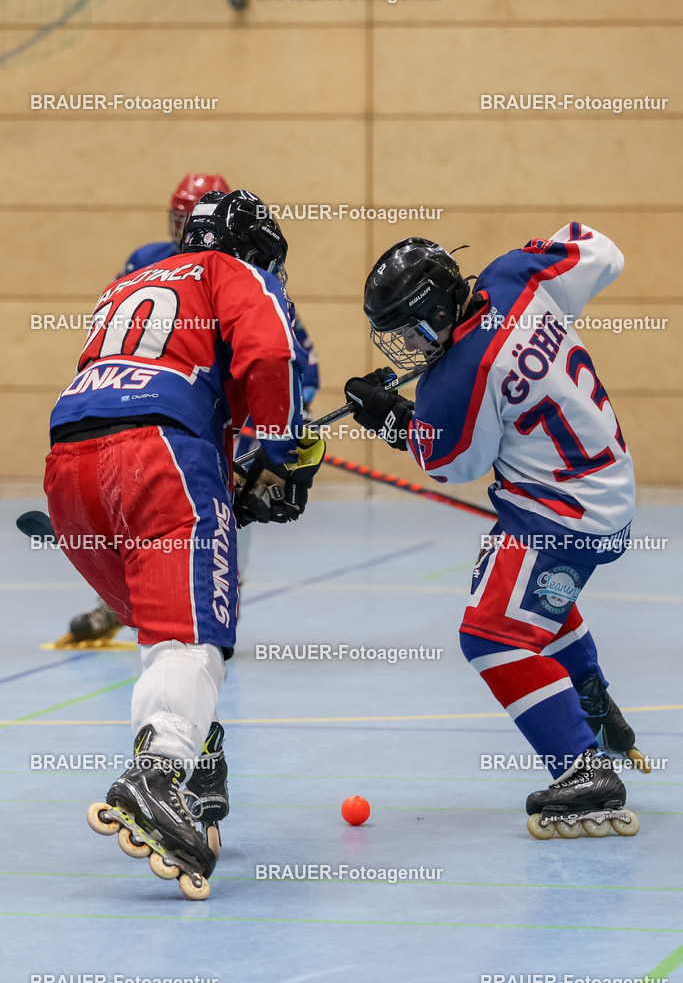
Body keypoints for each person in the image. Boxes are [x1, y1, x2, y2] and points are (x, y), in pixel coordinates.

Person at [44, 190, 325, 897]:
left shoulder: (133, 281)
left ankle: (193, 750)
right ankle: (159, 769)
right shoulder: (231, 272)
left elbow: (154, 377)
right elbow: (270, 351)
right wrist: (283, 454)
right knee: (194, 632)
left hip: (68, 463)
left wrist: (233, 463)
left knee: (162, 627)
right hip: (157, 455)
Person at [344, 224, 646, 839]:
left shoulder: (457, 376)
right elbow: (602, 249)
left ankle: (582, 768)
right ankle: (590, 703)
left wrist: (392, 419)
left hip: (561, 513)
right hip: (604, 487)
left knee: (489, 636)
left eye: (407, 329)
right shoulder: (513, 274)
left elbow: (453, 463)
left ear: (432, 313)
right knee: (532, 606)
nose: (405, 344)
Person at [64, 173, 320, 646]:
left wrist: (267, 419)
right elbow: (277, 356)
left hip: (86, 420)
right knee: (216, 502)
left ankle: (191, 586)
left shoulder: (141, 272)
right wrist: (280, 447)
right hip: (178, 415)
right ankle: (205, 596)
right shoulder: (243, 276)